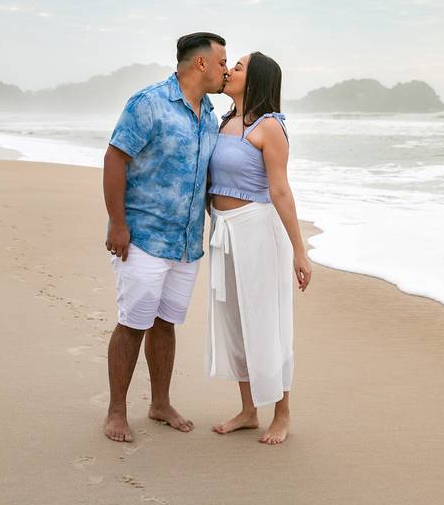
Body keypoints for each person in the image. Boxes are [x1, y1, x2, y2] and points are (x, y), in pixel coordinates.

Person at [102, 32, 228, 443]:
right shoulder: (149, 103)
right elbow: (115, 158)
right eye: (222, 61)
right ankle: (116, 411)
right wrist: (117, 223)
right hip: (142, 236)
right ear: (201, 64)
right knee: (132, 323)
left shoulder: (209, 114)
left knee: (165, 323)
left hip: (187, 242)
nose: (226, 69)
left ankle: (160, 403)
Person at [206, 51, 312, 445]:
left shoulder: (270, 128)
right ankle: (249, 411)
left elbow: (280, 190)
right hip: (223, 230)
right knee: (235, 320)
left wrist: (300, 252)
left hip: (258, 231)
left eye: (239, 66)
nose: (230, 69)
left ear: (257, 80)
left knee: (268, 321)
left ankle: (281, 414)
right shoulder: (224, 122)